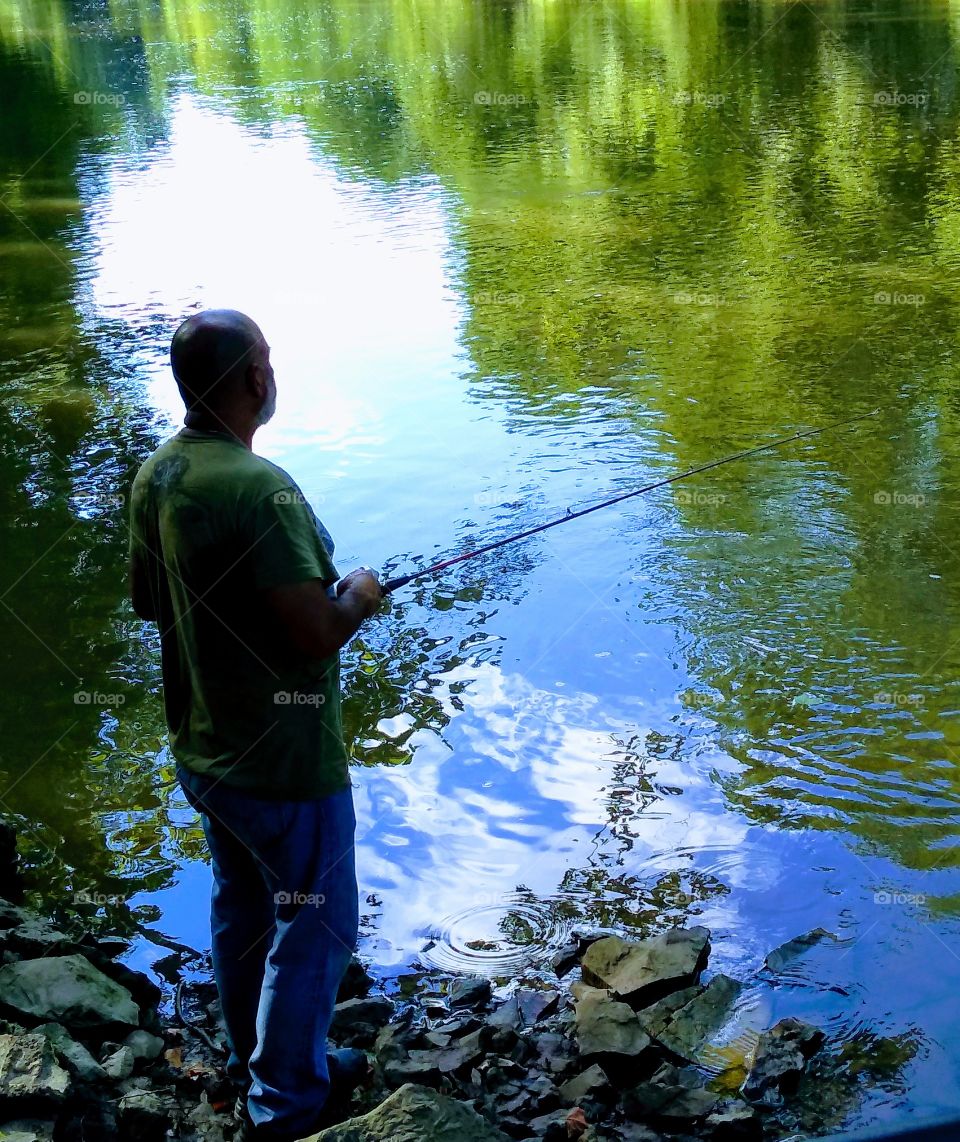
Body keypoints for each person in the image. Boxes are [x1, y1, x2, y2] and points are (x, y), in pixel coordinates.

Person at [128, 309, 383, 1141]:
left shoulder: (159, 475)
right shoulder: (257, 487)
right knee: (316, 922)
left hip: (206, 751)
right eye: (265, 361)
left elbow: (145, 601)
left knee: (243, 910)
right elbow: (314, 634)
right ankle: (287, 1104)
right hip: (283, 765)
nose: (271, 374)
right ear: (253, 380)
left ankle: (261, 1062)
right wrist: (360, 594)